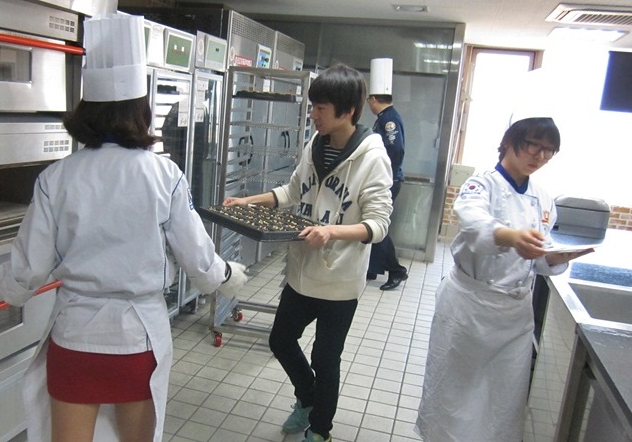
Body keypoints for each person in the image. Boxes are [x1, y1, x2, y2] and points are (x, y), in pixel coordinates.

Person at [0, 11, 247, 442]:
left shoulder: (56, 177)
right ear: (142, 110)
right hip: (137, 340)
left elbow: (28, 270)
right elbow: (198, 261)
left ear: (87, 111)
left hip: (75, 339)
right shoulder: (164, 175)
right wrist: (226, 274)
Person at [223, 63, 393, 442]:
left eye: (320, 108)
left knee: (325, 359)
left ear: (348, 111)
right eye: (313, 106)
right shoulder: (315, 143)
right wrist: (249, 200)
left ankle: (320, 430)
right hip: (301, 272)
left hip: (339, 280)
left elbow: (378, 224)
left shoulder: (372, 158)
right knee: (280, 340)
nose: (313, 114)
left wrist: (331, 231)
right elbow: (291, 191)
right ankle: (308, 398)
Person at [415, 117, 594, 442]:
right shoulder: (481, 185)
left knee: (502, 400)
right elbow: (473, 223)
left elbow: (536, 259)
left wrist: (554, 258)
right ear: (510, 142)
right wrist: (511, 236)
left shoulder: (543, 198)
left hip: (514, 316)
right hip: (470, 308)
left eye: (548, 150)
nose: (539, 156)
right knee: (454, 393)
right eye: (533, 145)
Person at [365, 58, 408, 290]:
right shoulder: (385, 118)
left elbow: (396, 149)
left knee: (377, 224)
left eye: (368, 100)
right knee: (373, 221)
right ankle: (372, 268)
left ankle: (396, 270)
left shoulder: (389, 120)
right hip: (385, 179)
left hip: (388, 181)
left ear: (373, 99)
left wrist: (385, 176)